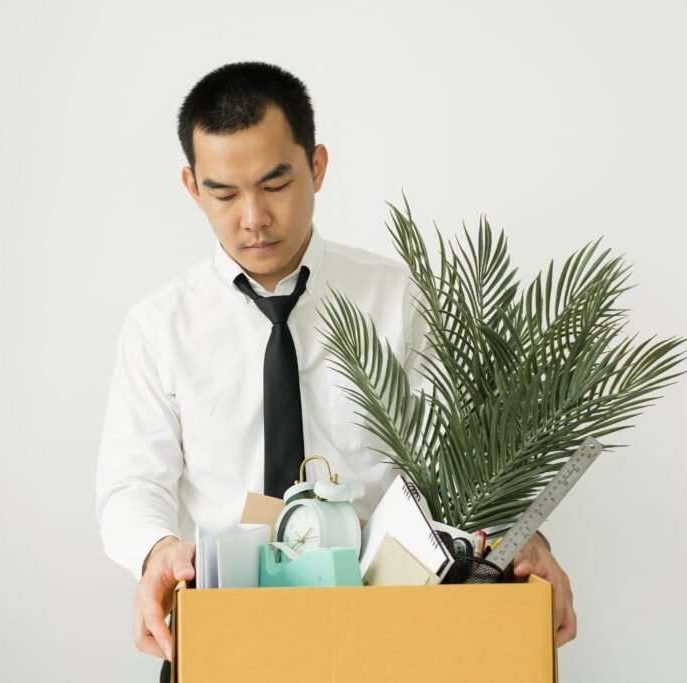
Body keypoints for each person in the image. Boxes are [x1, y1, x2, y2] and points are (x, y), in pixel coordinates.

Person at [95, 62, 577, 680]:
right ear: (192, 187)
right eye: (224, 194)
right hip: (227, 638)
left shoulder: (400, 300)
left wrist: (515, 537)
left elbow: (468, 464)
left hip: (393, 636)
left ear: (317, 166)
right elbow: (132, 483)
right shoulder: (158, 326)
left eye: (275, 184)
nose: (253, 217)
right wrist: (156, 550)